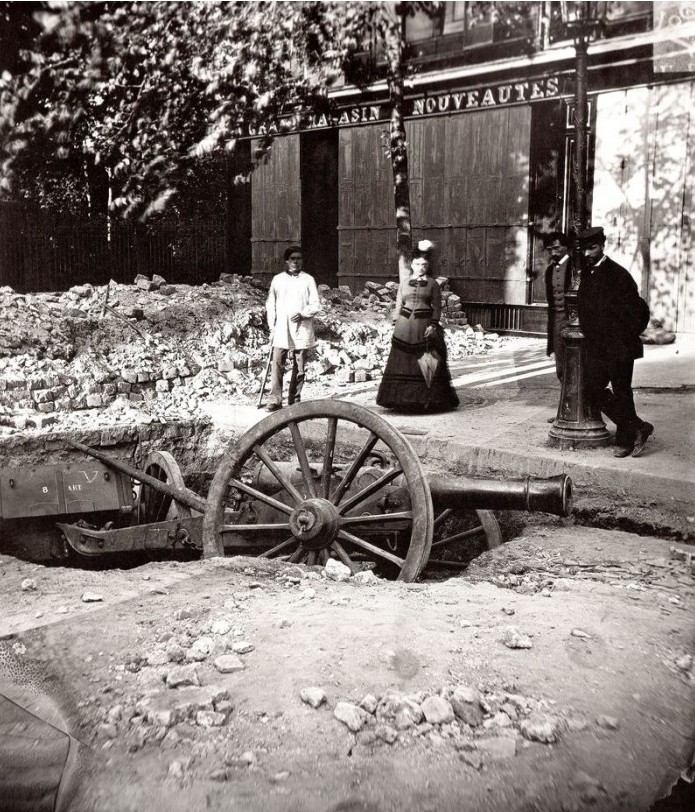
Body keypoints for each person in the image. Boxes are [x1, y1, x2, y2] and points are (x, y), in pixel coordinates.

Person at [577, 226, 653, 458]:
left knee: (622, 391)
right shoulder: (587, 275)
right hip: (598, 348)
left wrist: (624, 336)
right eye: (584, 249)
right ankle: (638, 427)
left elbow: (640, 311)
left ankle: (626, 441)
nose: (588, 254)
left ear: (602, 246)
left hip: (620, 347)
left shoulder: (618, 274)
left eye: (593, 248)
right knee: (592, 389)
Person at [376, 242, 459, 412]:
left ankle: (425, 400)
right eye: (417, 264)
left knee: (427, 360)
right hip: (404, 327)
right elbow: (399, 305)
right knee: (402, 361)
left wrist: (433, 324)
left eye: (424, 265)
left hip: (424, 326)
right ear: (412, 264)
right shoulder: (404, 283)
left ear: (427, 266)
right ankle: (401, 400)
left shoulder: (433, 284)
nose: (421, 267)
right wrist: (395, 322)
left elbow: (437, 307)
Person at [264, 245, 321, 412]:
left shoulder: (308, 279)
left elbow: (316, 304)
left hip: (301, 328)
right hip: (281, 328)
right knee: (277, 364)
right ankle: (275, 399)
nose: (296, 262)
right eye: (293, 259)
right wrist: (272, 327)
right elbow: (271, 304)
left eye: (299, 258)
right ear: (286, 261)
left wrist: (303, 314)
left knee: (300, 365)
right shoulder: (278, 280)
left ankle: (294, 400)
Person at [543, 231, 573, 381]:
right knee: (559, 359)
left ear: (565, 248)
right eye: (550, 249)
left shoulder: (575, 267)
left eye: (556, 247)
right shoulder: (549, 271)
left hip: (572, 320)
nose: (553, 251)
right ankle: (564, 397)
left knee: (574, 358)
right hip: (556, 320)